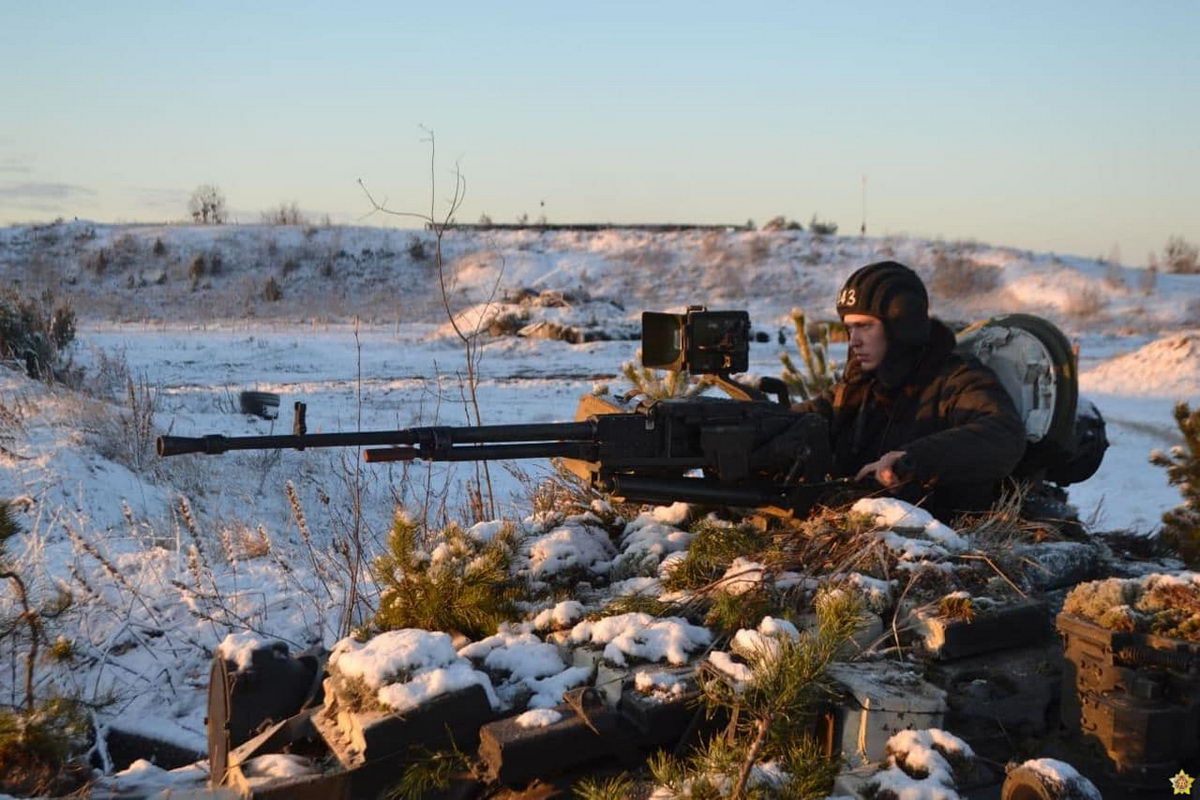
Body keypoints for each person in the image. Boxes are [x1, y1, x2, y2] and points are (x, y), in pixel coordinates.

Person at [795, 261, 1026, 519]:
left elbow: (1003, 434)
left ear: (900, 327)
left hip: (942, 539)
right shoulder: (858, 387)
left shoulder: (956, 378)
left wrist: (911, 461)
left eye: (865, 326)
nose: (854, 341)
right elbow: (802, 419)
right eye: (849, 328)